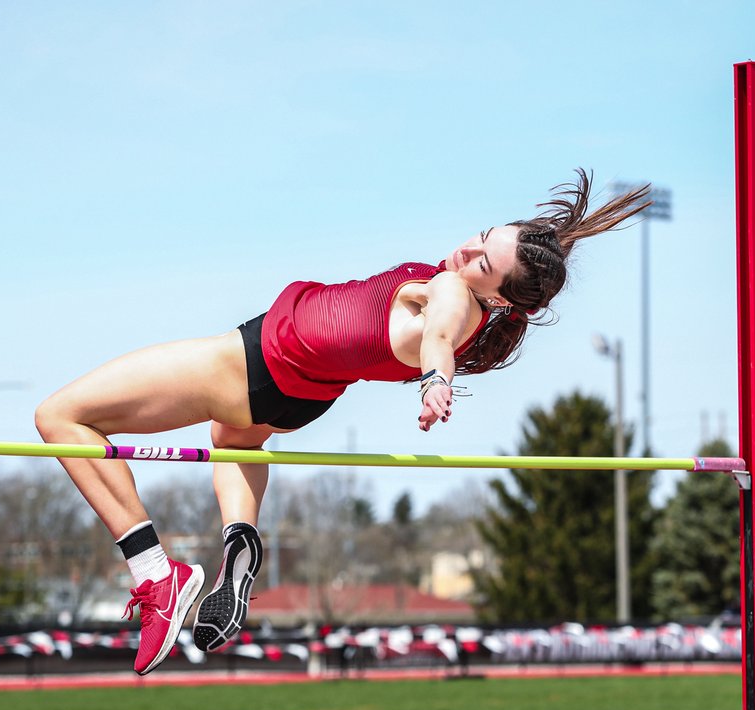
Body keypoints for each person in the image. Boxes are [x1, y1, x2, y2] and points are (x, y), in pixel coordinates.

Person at [34, 170, 649, 675]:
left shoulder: (455, 299)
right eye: (481, 235)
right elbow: (443, 328)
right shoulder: (477, 311)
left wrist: (439, 379)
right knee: (230, 441)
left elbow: (438, 334)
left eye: (481, 260)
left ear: (498, 296)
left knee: (61, 417)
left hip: (254, 360)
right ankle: (239, 535)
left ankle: (156, 576)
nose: (465, 250)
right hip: (300, 393)